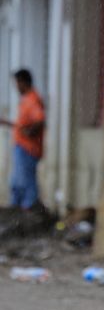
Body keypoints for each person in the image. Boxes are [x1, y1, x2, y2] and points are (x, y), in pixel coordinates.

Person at [0, 69, 45, 209]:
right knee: (17, 181)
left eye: (17, 83)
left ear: (23, 82)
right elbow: (22, 126)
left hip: (27, 148)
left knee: (24, 182)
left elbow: (40, 120)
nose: (16, 87)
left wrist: (30, 133)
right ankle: (18, 209)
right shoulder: (27, 99)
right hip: (23, 146)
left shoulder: (32, 99)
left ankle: (28, 209)